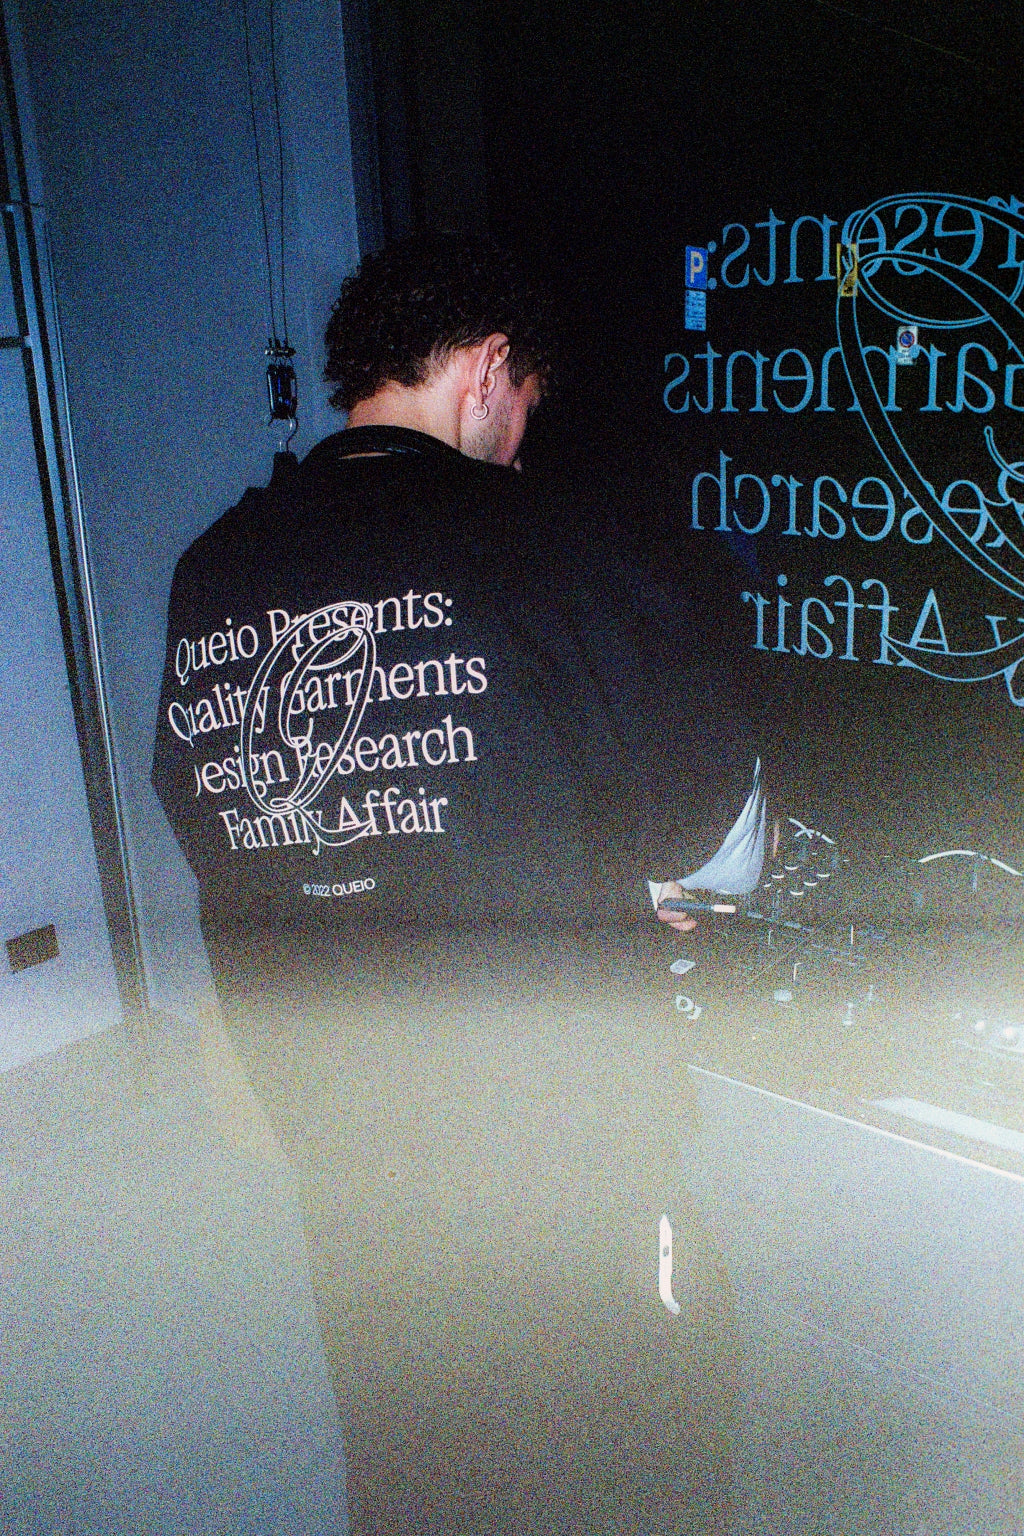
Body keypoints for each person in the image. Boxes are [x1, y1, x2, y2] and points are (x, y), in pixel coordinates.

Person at [152, 235, 745, 1535]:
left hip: (330, 1112)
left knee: (403, 1441)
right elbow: (704, 818)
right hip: (544, 1127)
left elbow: (217, 816)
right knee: (594, 1446)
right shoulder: (544, 541)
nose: (522, 443)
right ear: (487, 368)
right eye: (524, 404)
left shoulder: (214, 569)